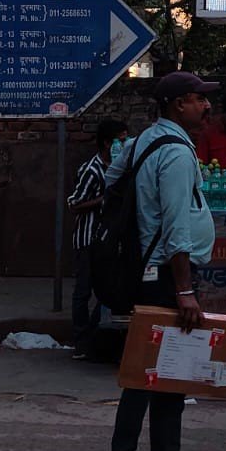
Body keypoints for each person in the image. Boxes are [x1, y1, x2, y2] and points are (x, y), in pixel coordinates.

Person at [100, 71, 223, 451]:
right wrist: (185, 290)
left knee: (142, 374)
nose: (206, 106)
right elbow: (175, 226)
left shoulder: (141, 142)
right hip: (166, 276)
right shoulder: (175, 153)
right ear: (177, 105)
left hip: (143, 272)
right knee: (171, 375)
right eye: (197, 99)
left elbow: (111, 182)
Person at [69, 118, 128, 360]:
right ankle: (81, 340)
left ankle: (92, 335)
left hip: (107, 240)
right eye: (120, 140)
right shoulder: (91, 170)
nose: (124, 145)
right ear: (107, 143)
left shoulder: (118, 166)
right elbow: (74, 203)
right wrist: (103, 200)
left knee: (106, 289)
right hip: (87, 238)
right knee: (83, 291)